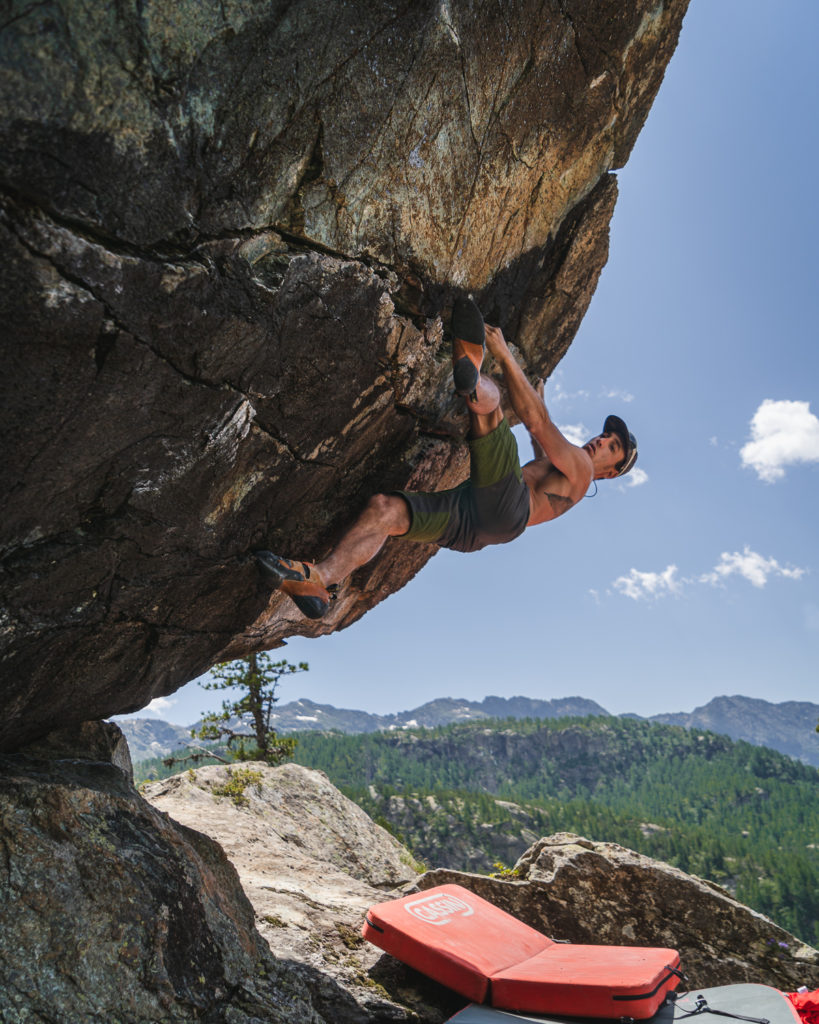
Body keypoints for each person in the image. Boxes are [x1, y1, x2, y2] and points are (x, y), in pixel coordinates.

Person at [256, 297, 637, 618]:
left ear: (611, 473)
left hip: (508, 504)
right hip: (479, 527)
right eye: (605, 436)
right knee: (384, 511)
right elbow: (544, 451)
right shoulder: (571, 475)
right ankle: (319, 580)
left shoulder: (584, 469)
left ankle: (473, 372)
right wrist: (542, 399)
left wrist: (504, 354)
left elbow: (537, 423)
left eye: (612, 447)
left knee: (493, 408)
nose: (600, 442)